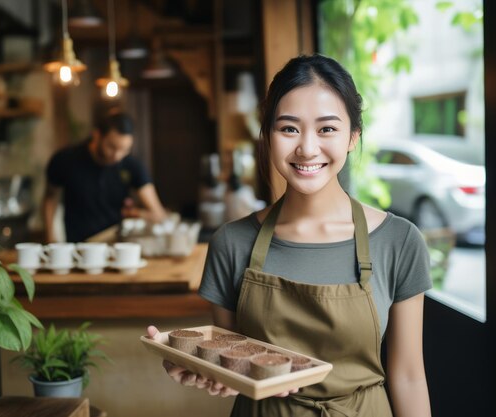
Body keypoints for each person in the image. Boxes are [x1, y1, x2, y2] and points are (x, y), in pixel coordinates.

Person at [148, 54, 432, 417]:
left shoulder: (399, 241)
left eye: (327, 129)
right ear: (267, 136)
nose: (307, 148)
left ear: (352, 137)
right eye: (289, 129)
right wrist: (197, 367)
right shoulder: (231, 244)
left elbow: (408, 376)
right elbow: (236, 366)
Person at [43, 110, 166, 243]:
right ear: (97, 135)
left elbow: (158, 214)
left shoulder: (132, 165)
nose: (117, 156)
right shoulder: (66, 160)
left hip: (116, 244)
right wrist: (50, 238)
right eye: (112, 147)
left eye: (124, 150)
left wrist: (135, 213)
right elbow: (50, 198)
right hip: (78, 246)